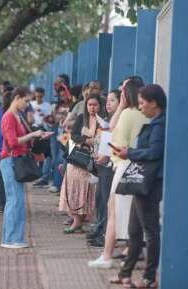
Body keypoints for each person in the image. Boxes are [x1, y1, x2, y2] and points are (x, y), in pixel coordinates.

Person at [110, 84, 167, 288]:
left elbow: (154, 153)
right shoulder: (155, 122)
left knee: (150, 230)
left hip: (150, 184)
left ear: (154, 103)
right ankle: (125, 273)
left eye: (143, 103)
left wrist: (130, 153)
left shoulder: (160, 125)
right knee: (134, 230)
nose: (141, 107)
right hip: (144, 182)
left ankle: (149, 277)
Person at [88, 76, 148, 269]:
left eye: (122, 90)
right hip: (138, 167)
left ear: (127, 93)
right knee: (132, 213)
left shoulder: (128, 114)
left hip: (123, 165)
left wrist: (121, 106)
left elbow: (111, 129)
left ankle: (106, 255)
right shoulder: (144, 113)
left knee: (113, 211)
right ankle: (129, 253)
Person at [0, 87, 51, 249]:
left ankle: (15, 238)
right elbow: (12, 142)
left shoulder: (17, 116)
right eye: (26, 101)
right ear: (17, 98)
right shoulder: (9, 117)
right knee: (15, 200)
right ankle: (10, 239)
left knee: (18, 200)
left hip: (16, 160)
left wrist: (37, 136)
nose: (28, 104)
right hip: (11, 161)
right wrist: (33, 135)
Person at [59, 94, 103, 233]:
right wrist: (85, 140)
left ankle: (79, 222)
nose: (92, 107)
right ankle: (76, 220)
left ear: (100, 106)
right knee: (72, 188)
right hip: (77, 158)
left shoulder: (103, 121)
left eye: (95, 105)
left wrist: (94, 142)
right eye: (90, 105)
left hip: (92, 159)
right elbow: (74, 136)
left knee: (87, 190)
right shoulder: (81, 118)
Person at [87, 89, 121, 248]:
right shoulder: (107, 119)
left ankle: (106, 234)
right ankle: (100, 227)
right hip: (101, 164)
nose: (108, 103)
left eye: (112, 100)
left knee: (107, 199)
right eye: (107, 100)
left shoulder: (120, 119)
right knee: (100, 198)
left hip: (109, 164)